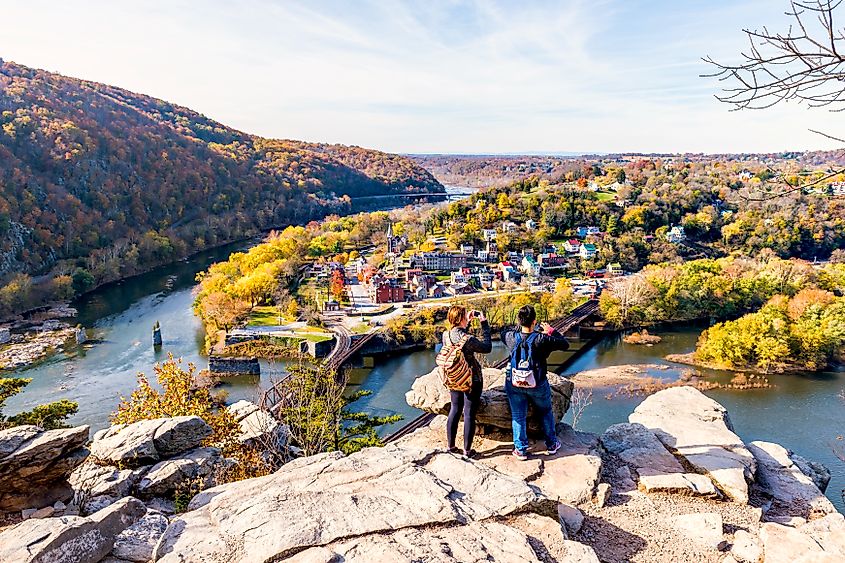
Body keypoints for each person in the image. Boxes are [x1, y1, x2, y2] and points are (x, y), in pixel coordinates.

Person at [501, 304, 570, 460]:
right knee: (545, 411)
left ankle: (521, 450)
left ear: (519, 321)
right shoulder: (542, 339)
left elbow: (502, 332)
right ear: (534, 321)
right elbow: (565, 344)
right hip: (537, 383)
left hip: (515, 383)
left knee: (518, 416)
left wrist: (516, 327)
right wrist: (551, 331)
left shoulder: (511, 337)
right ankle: (551, 444)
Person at [442, 305, 491, 458]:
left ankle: (451, 446)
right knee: (469, 413)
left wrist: (467, 323)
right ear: (461, 318)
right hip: (471, 379)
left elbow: (458, 340)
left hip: (454, 377)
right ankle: (467, 451)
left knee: (455, 409)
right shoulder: (468, 339)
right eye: (465, 316)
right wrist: (484, 323)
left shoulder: (446, 335)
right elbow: (487, 347)